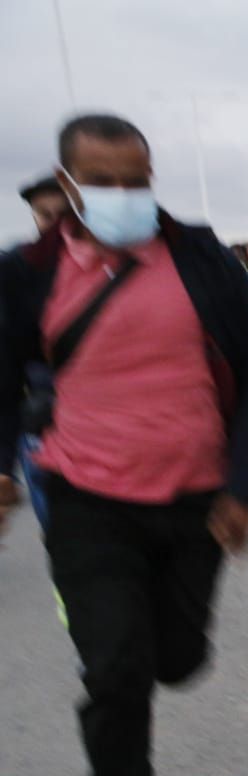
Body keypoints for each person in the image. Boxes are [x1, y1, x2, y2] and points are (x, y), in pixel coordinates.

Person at [0, 113, 248, 776]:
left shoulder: (201, 258)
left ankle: (114, 631)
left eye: (139, 179)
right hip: (86, 497)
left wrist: (242, 489)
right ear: (71, 185)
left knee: (177, 660)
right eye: (108, 181)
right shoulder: (30, 275)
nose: (128, 196)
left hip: (194, 503)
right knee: (117, 668)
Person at [2, 176, 76, 532]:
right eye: (44, 215)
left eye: (64, 214)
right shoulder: (17, 270)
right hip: (43, 425)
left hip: (116, 424)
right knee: (61, 535)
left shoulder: (120, 268)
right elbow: (7, 372)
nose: (54, 225)